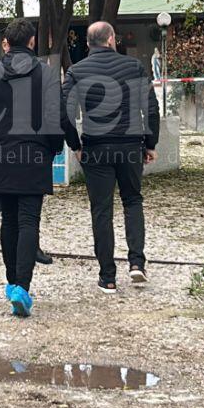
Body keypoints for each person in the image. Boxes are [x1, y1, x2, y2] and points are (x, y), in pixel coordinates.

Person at [0, 19, 63, 317]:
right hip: (34, 155)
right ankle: (23, 288)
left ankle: (12, 282)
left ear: (8, 41)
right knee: (29, 220)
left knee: (8, 220)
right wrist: (52, 147)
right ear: (31, 41)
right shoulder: (45, 72)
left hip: (1, 154)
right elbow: (56, 116)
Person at [61, 21, 160, 294]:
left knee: (101, 210)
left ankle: (108, 277)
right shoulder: (134, 67)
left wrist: (75, 145)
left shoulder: (76, 72)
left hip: (96, 148)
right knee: (132, 200)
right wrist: (150, 143)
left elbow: (63, 113)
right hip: (130, 146)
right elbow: (150, 107)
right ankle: (137, 263)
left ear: (88, 43)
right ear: (112, 39)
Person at [0, 38, 54, 267]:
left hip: (26, 144)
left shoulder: (37, 71)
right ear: (4, 45)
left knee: (28, 202)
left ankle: (29, 246)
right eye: (7, 46)